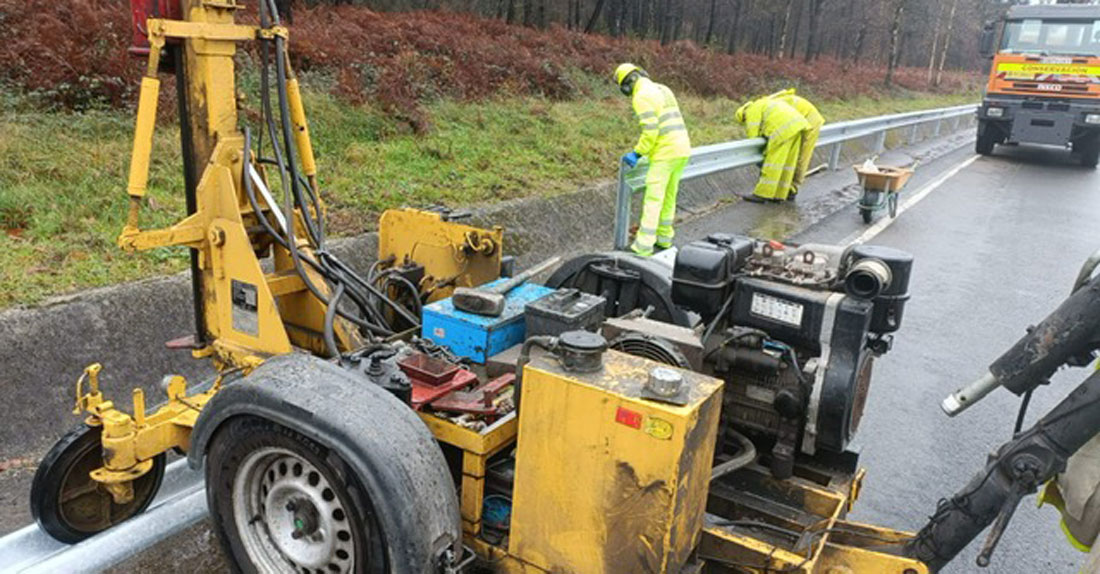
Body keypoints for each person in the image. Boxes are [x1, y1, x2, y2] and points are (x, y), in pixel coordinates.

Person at [615, 63, 692, 256]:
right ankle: (664, 239)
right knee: (669, 196)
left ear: (626, 86)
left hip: (665, 153)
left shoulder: (641, 96)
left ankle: (643, 245)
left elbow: (651, 130)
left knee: (653, 199)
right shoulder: (663, 88)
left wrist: (637, 153)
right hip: (682, 148)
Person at [734, 96, 809, 203]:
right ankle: (781, 194)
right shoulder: (763, 103)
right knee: (787, 164)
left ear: (742, 115)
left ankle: (761, 194)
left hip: (783, 129)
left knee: (773, 164)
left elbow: (753, 136)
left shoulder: (750, 111)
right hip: (798, 126)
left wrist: (759, 153)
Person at [768, 88, 825, 197]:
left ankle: (793, 187)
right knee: (792, 157)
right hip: (802, 120)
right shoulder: (773, 103)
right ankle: (786, 188)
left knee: (801, 157)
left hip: (810, 121)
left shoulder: (773, 106)